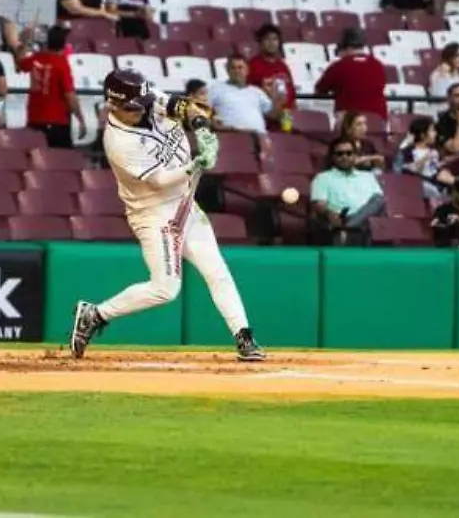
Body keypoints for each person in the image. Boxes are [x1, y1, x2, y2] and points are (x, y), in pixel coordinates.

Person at [69, 69, 264, 362]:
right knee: (165, 288)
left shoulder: (146, 100)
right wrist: (197, 164)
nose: (142, 109)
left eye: (142, 103)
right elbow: (159, 180)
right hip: (154, 213)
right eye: (133, 108)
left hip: (184, 203)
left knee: (217, 270)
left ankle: (244, 337)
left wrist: (201, 128)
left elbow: (183, 106)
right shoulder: (119, 142)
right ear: (113, 105)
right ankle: (95, 314)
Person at [15, 25, 86, 148]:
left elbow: (20, 63)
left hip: (34, 119)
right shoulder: (62, 63)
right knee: (60, 162)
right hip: (56, 121)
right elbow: (69, 95)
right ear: (64, 44)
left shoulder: (35, 58)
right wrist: (80, 118)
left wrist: (24, 43)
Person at [310, 137, 387, 245]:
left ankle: (347, 229)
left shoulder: (368, 176)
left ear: (355, 156)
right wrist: (329, 213)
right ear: (333, 157)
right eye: (340, 154)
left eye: (349, 153)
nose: (345, 157)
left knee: (379, 200)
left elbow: (378, 204)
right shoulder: (323, 178)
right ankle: (349, 228)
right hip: (342, 218)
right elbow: (319, 204)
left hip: (370, 222)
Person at [314, 27, 388, 120]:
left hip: (350, 123)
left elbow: (319, 90)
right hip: (378, 121)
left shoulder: (339, 66)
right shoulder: (378, 65)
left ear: (347, 48)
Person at [207, 55, 279, 134]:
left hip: (260, 136)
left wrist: (275, 96)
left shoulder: (256, 91)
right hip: (232, 136)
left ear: (247, 70)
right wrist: (212, 123)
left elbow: (273, 115)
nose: (237, 71)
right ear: (227, 70)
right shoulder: (216, 89)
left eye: (240, 67)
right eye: (233, 68)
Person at [247, 23, 296, 131]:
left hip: (286, 118)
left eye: (275, 39)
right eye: (267, 39)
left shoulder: (283, 66)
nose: (271, 43)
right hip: (265, 119)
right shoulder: (253, 65)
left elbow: (292, 94)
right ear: (260, 42)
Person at [394, 116, 443, 198]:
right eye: (432, 130)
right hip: (419, 184)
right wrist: (425, 159)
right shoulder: (408, 152)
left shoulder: (435, 151)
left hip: (434, 182)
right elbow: (407, 171)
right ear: (423, 135)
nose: (435, 134)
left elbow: (435, 169)